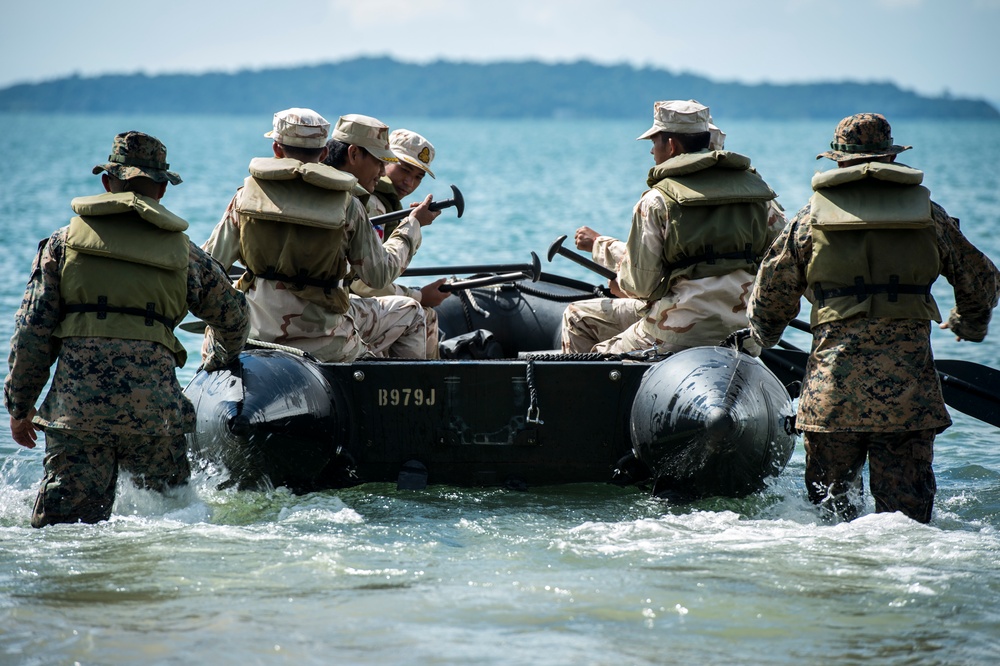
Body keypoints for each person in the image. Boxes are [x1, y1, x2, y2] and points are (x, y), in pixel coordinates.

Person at [746, 112, 1000, 523]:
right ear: (891, 158)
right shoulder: (930, 218)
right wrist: (969, 323)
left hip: (831, 400)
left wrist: (766, 336)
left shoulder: (809, 220)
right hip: (908, 400)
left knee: (830, 520)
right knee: (906, 526)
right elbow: (983, 282)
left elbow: (769, 298)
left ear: (838, 161)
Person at [5, 131, 249, 528]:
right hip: (156, 416)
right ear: (162, 190)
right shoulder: (186, 255)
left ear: (107, 182)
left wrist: (19, 406)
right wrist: (223, 358)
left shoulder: (62, 246)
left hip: (76, 415)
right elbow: (234, 318)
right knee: (170, 523)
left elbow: (32, 332)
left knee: (64, 532)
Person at [203, 108, 439, 362]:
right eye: (381, 162)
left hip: (255, 329)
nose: (382, 171)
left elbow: (209, 266)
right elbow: (377, 275)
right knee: (413, 312)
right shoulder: (349, 204)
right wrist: (411, 227)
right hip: (325, 340)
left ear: (276, 149)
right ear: (324, 152)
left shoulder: (245, 197)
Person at [562, 100, 780, 354]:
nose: (652, 152)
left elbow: (642, 286)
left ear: (672, 145)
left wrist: (623, 282)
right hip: (746, 334)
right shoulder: (759, 195)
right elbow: (782, 263)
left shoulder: (656, 201)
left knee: (580, 326)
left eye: (654, 142)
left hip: (678, 333)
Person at [344, 128, 450, 357]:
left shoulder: (381, 203)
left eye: (419, 177)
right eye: (404, 169)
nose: (410, 182)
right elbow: (366, 282)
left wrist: (406, 223)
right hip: (349, 302)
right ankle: (427, 389)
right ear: (384, 160)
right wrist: (419, 296)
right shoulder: (374, 205)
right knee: (425, 314)